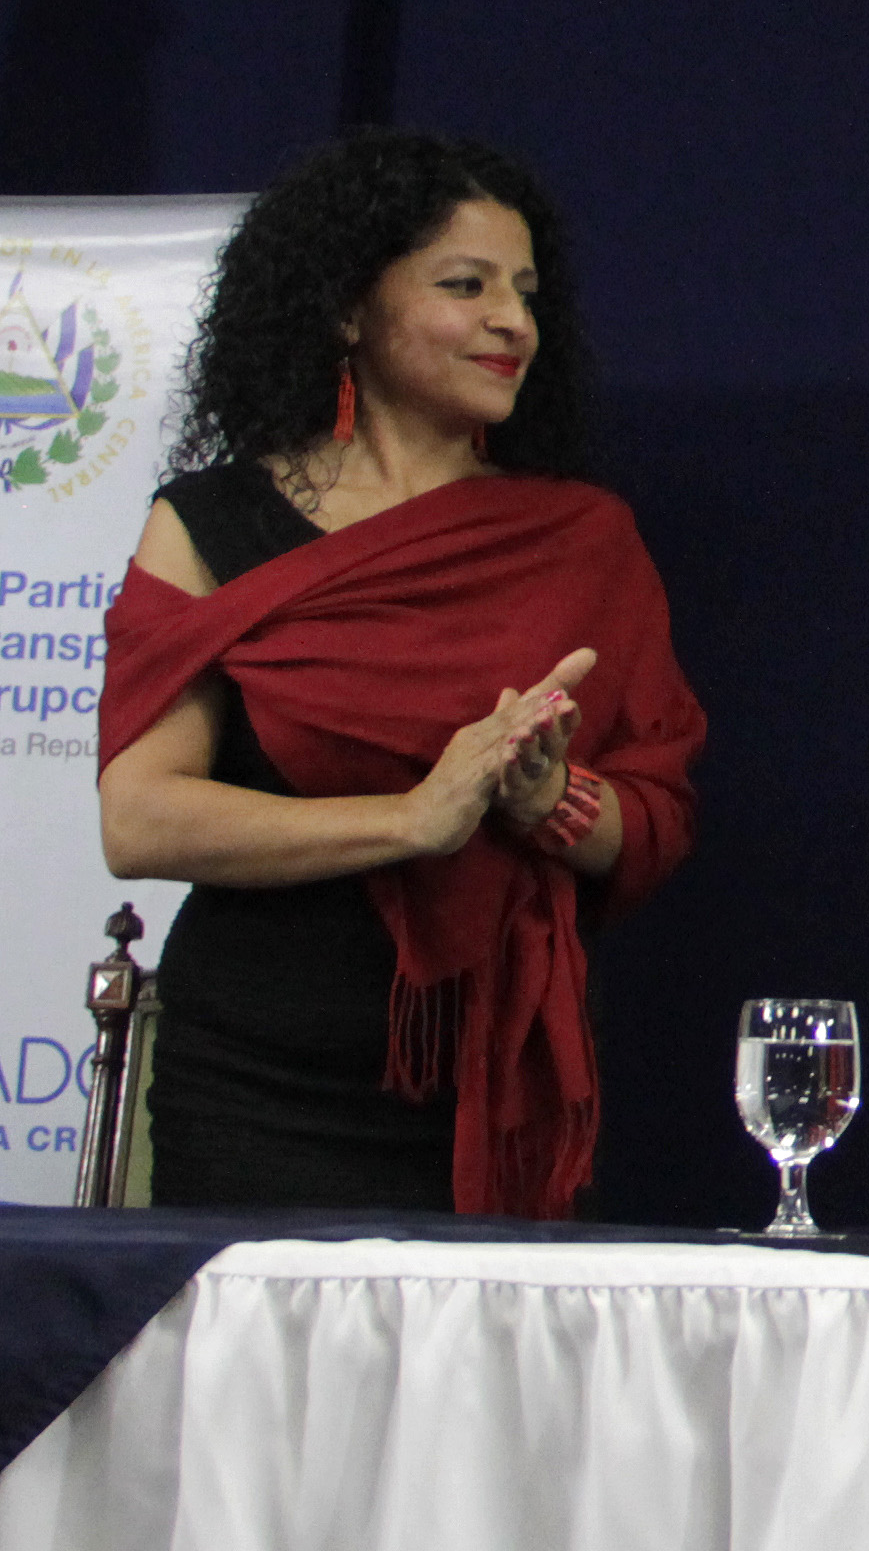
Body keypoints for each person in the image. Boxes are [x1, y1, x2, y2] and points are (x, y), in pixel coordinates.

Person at [95, 130, 705, 1217]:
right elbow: (139, 819)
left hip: (493, 1087)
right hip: (252, 1087)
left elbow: (653, 821)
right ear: (347, 310)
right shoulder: (208, 522)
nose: (513, 322)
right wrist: (413, 818)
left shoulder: (581, 538)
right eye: (467, 286)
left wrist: (549, 798)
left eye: (526, 293)